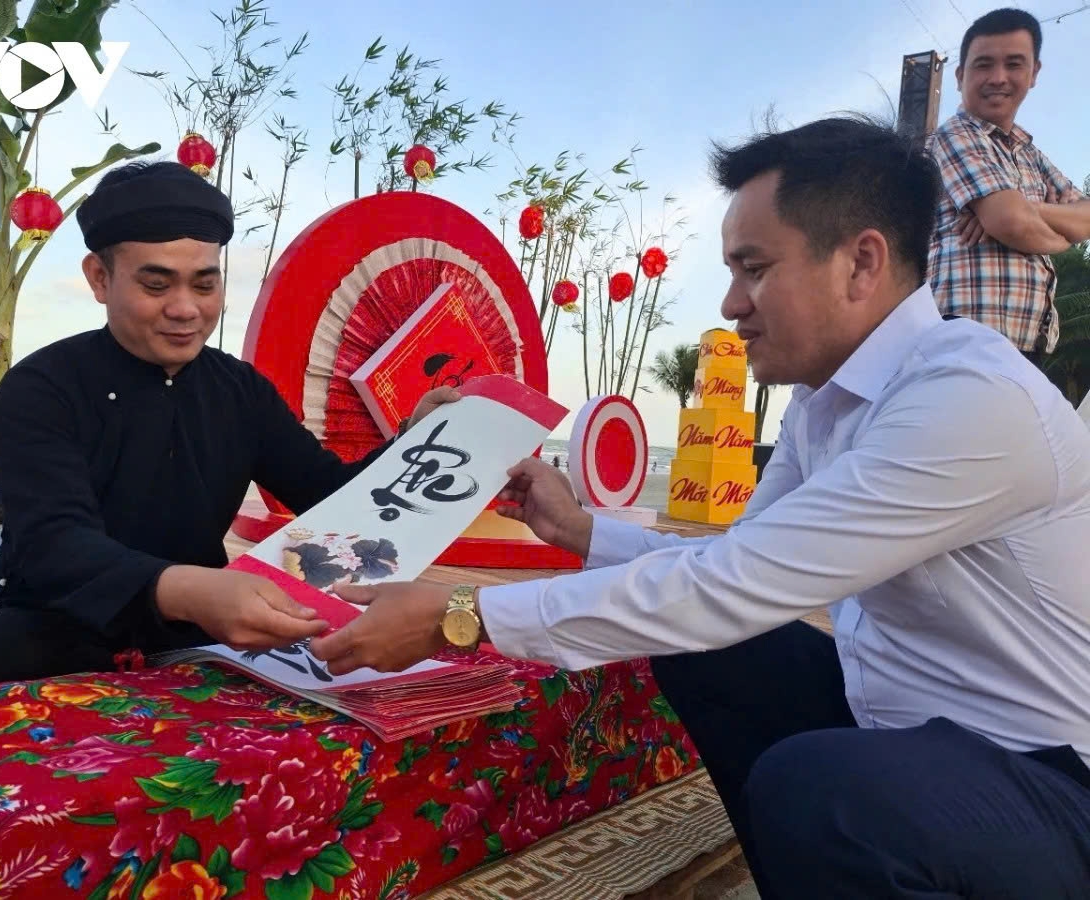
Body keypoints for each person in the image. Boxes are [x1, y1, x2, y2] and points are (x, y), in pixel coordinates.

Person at [309, 117, 1090, 898]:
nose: (730, 304)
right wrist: (576, 529)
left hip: (1049, 777)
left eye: (753, 268)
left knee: (821, 791)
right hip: (901, 723)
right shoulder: (825, 404)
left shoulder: (967, 399)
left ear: (861, 262)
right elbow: (733, 569)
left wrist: (461, 614)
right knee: (723, 655)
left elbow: (730, 586)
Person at [0, 160, 455, 693]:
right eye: (156, 285)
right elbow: (56, 544)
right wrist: (189, 589)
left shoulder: (240, 391)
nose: (185, 310)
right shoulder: (42, 386)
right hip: (65, 618)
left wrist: (414, 440)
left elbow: (328, 495)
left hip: (201, 625)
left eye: (204, 285)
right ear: (99, 278)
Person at [927, 7, 1090, 368]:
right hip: (964, 336)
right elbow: (1010, 223)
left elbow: (1087, 218)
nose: (998, 77)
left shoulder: (1030, 153)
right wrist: (1060, 232)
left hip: (1026, 340)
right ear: (959, 75)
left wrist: (1027, 208)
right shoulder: (955, 135)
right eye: (983, 64)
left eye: (1014, 64)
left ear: (1034, 73)